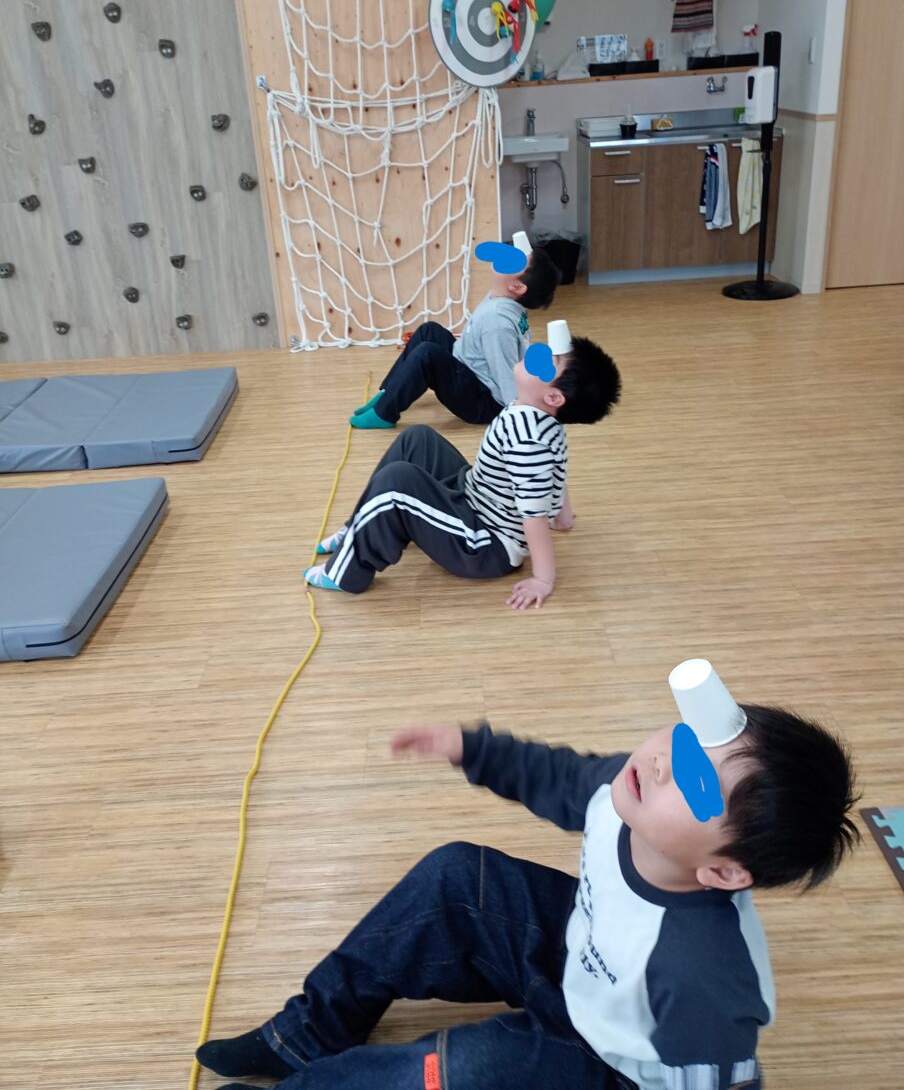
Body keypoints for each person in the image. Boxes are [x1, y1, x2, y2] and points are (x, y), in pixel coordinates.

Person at [196, 705, 860, 1090]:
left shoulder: (703, 972)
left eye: (694, 782)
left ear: (723, 873)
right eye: (685, 740)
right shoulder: (628, 787)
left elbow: (719, 1078)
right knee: (455, 875)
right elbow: (560, 775)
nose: (663, 761)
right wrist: (473, 748)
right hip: (582, 957)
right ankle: (304, 1034)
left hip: (608, 1060)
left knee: (459, 1067)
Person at [303, 336, 621, 609]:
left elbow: (534, 516)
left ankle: (345, 574)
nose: (537, 353)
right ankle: (357, 528)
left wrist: (543, 579)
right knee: (418, 439)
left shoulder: (529, 441)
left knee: (397, 482)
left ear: (553, 397)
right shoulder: (539, 415)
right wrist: (563, 518)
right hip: (473, 494)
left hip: (484, 544)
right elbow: (556, 473)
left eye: (549, 362)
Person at [350, 248, 560, 430]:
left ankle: (384, 414)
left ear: (517, 287)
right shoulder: (502, 297)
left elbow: (505, 374)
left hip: (484, 401)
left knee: (427, 354)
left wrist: (520, 412)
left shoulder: (497, 323)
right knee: (429, 331)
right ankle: (389, 393)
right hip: (469, 365)